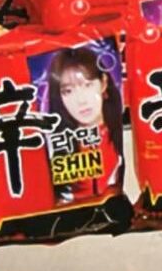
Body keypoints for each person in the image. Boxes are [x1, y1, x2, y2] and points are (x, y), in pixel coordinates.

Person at [41, 45, 124, 204]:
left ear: (103, 83)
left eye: (87, 85)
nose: (81, 100)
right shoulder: (54, 146)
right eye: (68, 91)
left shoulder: (117, 136)